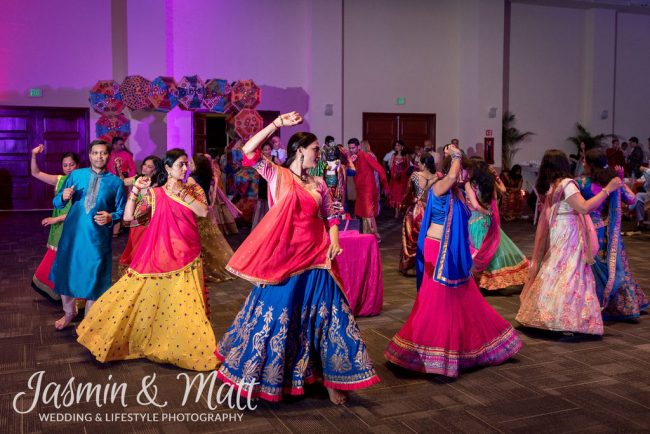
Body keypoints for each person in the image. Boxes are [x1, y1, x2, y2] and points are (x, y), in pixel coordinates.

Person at [216, 112, 380, 405]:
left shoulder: (318, 183)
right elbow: (248, 150)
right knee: (280, 317)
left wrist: (334, 241)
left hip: (318, 257)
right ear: (300, 150)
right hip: (287, 259)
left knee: (331, 317)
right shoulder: (276, 174)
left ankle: (332, 379)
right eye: (315, 149)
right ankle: (269, 376)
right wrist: (276, 124)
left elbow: (329, 214)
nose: (319, 154)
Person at [385, 146, 522, 377]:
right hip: (437, 250)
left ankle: (468, 347)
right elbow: (450, 176)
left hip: (455, 251)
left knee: (464, 297)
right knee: (437, 298)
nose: (465, 175)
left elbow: (476, 206)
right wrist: (456, 157)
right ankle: (431, 351)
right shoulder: (439, 186)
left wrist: (469, 183)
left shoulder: (459, 190)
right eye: (462, 171)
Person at [77, 148, 218, 371]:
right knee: (150, 298)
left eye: (186, 164)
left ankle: (180, 346)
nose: (184, 168)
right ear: (168, 168)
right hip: (160, 253)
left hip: (188, 254)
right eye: (180, 164)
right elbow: (128, 217)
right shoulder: (155, 194)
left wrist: (180, 193)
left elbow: (202, 211)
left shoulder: (192, 188)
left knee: (186, 306)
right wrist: (136, 191)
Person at [516, 150, 623, 335]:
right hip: (569, 232)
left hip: (558, 229)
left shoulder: (550, 185)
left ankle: (544, 314)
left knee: (555, 268)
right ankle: (565, 319)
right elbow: (584, 207)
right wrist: (608, 189)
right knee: (571, 271)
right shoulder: (567, 184)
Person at [50, 140, 126, 330]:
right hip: (72, 235)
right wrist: (64, 197)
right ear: (90, 155)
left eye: (103, 153)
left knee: (95, 275)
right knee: (68, 272)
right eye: (95, 153)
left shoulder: (116, 182)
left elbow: (121, 211)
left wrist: (111, 217)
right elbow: (57, 201)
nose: (99, 156)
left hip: (97, 238)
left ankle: (89, 320)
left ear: (108, 156)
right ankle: (69, 312)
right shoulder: (76, 175)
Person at [576, 150, 648, 320]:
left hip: (588, 231)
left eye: (585, 161)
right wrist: (621, 182)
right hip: (610, 233)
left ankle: (590, 303)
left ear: (591, 165)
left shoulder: (582, 182)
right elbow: (632, 200)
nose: (583, 164)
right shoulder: (613, 182)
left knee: (588, 266)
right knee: (615, 267)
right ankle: (623, 305)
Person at [466, 159, 529, 291]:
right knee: (492, 248)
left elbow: (476, 205)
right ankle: (492, 280)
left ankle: (481, 280)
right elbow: (504, 190)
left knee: (479, 248)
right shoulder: (489, 183)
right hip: (488, 221)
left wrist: (485, 212)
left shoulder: (470, 184)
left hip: (475, 220)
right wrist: (496, 177)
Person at [30, 144, 80, 302]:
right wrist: (33, 155)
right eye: (65, 165)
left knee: (69, 261)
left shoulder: (82, 182)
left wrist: (54, 219)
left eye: (71, 164)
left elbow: (76, 212)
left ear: (77, 165)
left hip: (73, 227)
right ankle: (61, 293)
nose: (68, 167)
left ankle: (73, 296)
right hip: (58, 228)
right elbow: (35, 172)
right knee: (55, 258)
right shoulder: (59, 180)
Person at [189, 154, 234, 284]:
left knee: (202, 243)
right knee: (212, 241)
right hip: (207, 209)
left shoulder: (192, 179)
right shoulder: (207, 176)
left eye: (191, 163)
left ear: (197, 165)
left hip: (197, 212)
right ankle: (222, 266)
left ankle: (207, 269)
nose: (189, 165)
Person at [117, 156, 164, 275]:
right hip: (134, 219)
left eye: (149, 166)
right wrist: (119, 169)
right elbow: (122, 181)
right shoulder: (138, 178)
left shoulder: (158, 184)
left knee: (147, 248)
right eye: (144, 164)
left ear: (156, 170)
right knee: (134, 245)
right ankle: (135, 272)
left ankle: (145, 272)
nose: (145, 167)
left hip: (149, 221)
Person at [399, 153, 437, 276]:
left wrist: (402, 206)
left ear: (424, 164)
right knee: (428, 238)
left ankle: (411, 266)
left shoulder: (415, 175)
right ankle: (427, 265)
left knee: (412, 238)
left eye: (419, 162)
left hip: (417, 211)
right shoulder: (436, 176)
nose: (418, 165)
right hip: (431, 210)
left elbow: (408, 193)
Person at [347, 138, 389, 239]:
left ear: (358, 147)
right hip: (360, 190)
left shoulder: (366, 156)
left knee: (367, 213)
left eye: (353, 147)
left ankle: (370, 237)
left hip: (368, 190)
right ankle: (372, 236)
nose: (351, 150)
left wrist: (385, 185)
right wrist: (350, 162)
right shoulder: (351, 158)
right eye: (350, 148)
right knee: (364, 214)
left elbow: (380, 169)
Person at [108, 136, 136, 238]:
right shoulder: (108, 154)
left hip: (122, 181)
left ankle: (119, 226)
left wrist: (133, 182)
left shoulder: (126, 155)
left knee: (120, 202)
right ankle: (112, 226)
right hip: (109, 182)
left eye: (122, 144)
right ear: (114, 144)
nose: (122, 146)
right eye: (119, 144)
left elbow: (132, 169)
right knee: (110, 202)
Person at [387, 140, 410, 217]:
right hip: (395, 178)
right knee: (395, 194)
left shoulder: (405, 156)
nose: (397, 147)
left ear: (402, 146)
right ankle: (396, 212)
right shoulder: (393, 155)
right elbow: (391, 165)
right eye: (396, 145)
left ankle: (403, 210)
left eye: (398, 145)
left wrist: (402, 173)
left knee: (402, 194)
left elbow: (408, 166)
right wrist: (393, 173)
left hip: (403, 178)